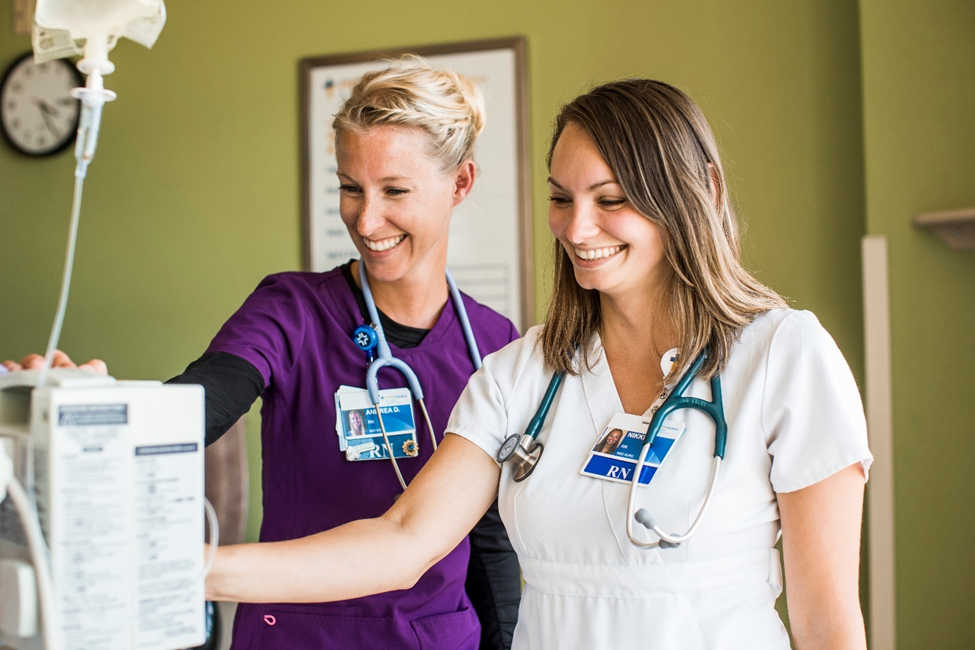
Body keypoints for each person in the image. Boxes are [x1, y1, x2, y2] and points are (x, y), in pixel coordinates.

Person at [203, 78, 873, 649]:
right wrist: (190, 569)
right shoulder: (524, 371)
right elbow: (402, 542)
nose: (577, 229)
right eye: (561, 198)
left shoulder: (783, 357)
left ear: (695, 193)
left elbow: (826, 620)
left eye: (609, 200)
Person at [5, 57, 523, 650]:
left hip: (435, 637)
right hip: (297, 634)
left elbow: (489, 541)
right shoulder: (292, 310)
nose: (366, 218)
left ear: (460, 184)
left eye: (395, 190)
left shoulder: (496, 342)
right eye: (350, 188)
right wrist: (96, 410)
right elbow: (200, 403)